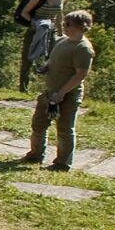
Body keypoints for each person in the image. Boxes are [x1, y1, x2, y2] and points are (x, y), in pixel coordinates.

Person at [22, 9, 96, 171]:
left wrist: (61, 93)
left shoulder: (83, 48)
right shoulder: (63, 41)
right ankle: (36, 154)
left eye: (68, 24)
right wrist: (46, 67)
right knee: (39, 124)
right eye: (64, 24)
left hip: (67, 95)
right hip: (50, 92)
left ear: (81, 27)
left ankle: (62, 163)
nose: (65, 27)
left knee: (64, 129)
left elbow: (80, 75)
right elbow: (53, 59)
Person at [15, 0, 68, 91]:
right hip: (35, 30)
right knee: (28, 58)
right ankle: (23, 87)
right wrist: (36, 23)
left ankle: (51, 87)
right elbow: (24, 13)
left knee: (53, 58)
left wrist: (61, 33)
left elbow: (59, 15)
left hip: (51, 31)